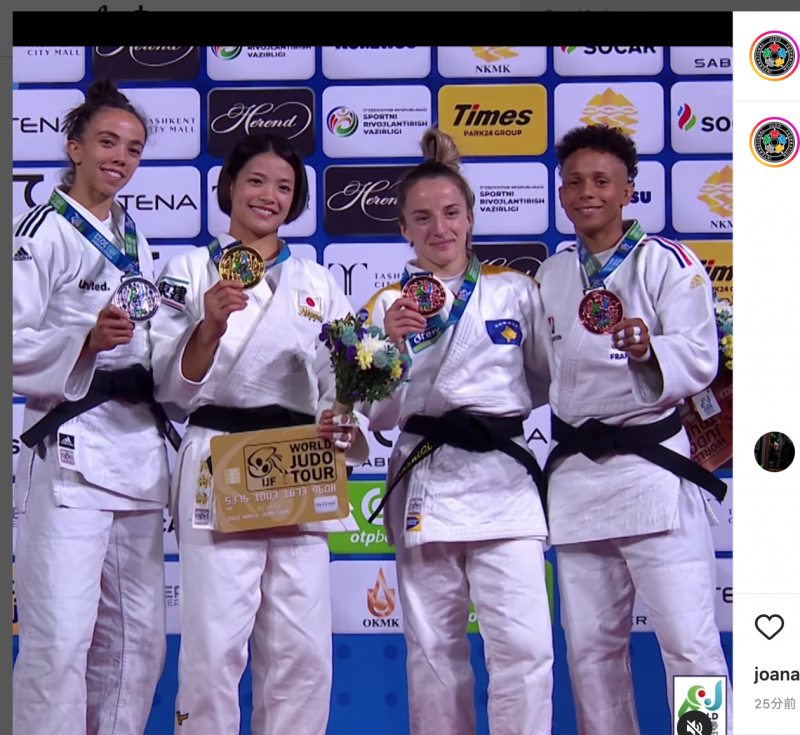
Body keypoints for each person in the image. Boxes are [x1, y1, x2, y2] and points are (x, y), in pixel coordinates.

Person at [149, 134, 369, 735]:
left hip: (300, 460)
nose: (269, 195)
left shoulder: (317, 281)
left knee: (303, 651)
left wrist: (341, 413)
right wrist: (208, 327)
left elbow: (342, 376)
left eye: (284, 187)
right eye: (256, 181)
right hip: (220, 457)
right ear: (228, 187)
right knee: (215, 646)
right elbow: (170, 387)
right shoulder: (190, 269)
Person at [355, 127, 555, 735]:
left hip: (504, 479)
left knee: (525, 648)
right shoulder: (386, 304)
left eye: (449, 213)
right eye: (422, 217)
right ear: (404, 229)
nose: (438, 228)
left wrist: (487, 418)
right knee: (434, 653)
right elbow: (379, 415)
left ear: (469, 218)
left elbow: (544, 381)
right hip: (429, 479)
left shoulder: (515, 291)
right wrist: (391, 345)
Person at [535, 123, 733, 734]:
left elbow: (700, 356)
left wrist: (649, 350)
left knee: (691, 646)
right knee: (590, 654)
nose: (586, 193)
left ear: (628, 191)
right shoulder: (552, 274)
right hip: (578, 480)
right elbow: (536, 372)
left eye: (602, 181)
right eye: (574, 182)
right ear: (560, 194)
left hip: (652, 475)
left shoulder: (668, 263)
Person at [12, 80, 172, 735]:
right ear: (74, 148)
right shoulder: (43, 231)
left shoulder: (135, 237)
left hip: (136, 452)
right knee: (60, 641)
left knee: (138, 642)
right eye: (108, 143)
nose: (120, 158)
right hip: (70, 452)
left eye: (133, 149)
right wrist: (83, 339)